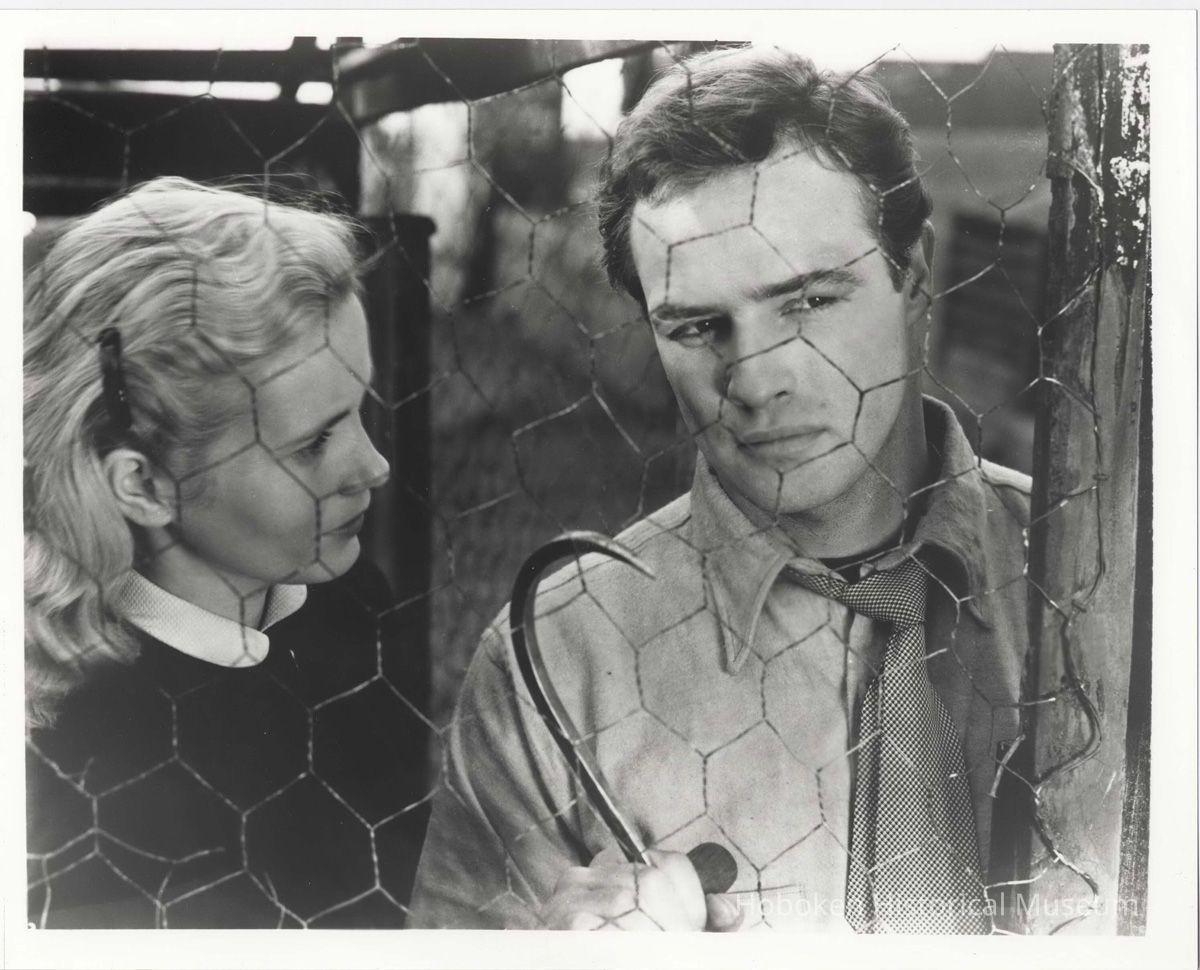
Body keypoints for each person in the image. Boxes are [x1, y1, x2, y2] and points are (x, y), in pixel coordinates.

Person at [410, 45, 1032, 933]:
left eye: (808, 301)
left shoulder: (1104, 585)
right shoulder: (558, 662)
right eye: (699, 326)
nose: (754, 378)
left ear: (916, 274)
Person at [24, 177, 409, 928]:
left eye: (358, 410)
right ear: (144, 485)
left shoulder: (347, 600)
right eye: (313, 443)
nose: (374, 467)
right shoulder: (83, 756)